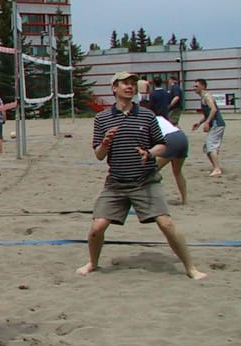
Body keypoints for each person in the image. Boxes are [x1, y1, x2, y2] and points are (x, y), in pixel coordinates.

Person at [76, 72, 206, 280]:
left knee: (166, 224)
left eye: (132, 84)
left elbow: (162, 144)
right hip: (116, 183)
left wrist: (150, 153)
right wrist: (105, 143)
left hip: (145, 181)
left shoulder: (146, 116)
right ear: (114, 88)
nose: (130, 87)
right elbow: (99, 155)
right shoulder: (102, 119)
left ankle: (191, 268)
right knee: (96, 228)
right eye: (125, 83)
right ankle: (93, 263)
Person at [191, 78, 224, 176]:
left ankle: (217, 169)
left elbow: (213, 110)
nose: (194, 88)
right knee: (207, 148)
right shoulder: (203, 98)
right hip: (214, 124)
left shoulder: (207, 96)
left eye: (196, 86)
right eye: (194, 86)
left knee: (211, 146)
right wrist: (200, 123)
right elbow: (207, 114)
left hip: (217, 124)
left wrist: (207, 122)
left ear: (203, 86)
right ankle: (215, 167)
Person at [154, 114, 188, 204]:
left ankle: (151, 200)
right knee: (177, 171)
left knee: (149, 172)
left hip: (170, 140)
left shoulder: (148, 121)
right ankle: (185, 200)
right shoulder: (161, 118)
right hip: (182, 137)